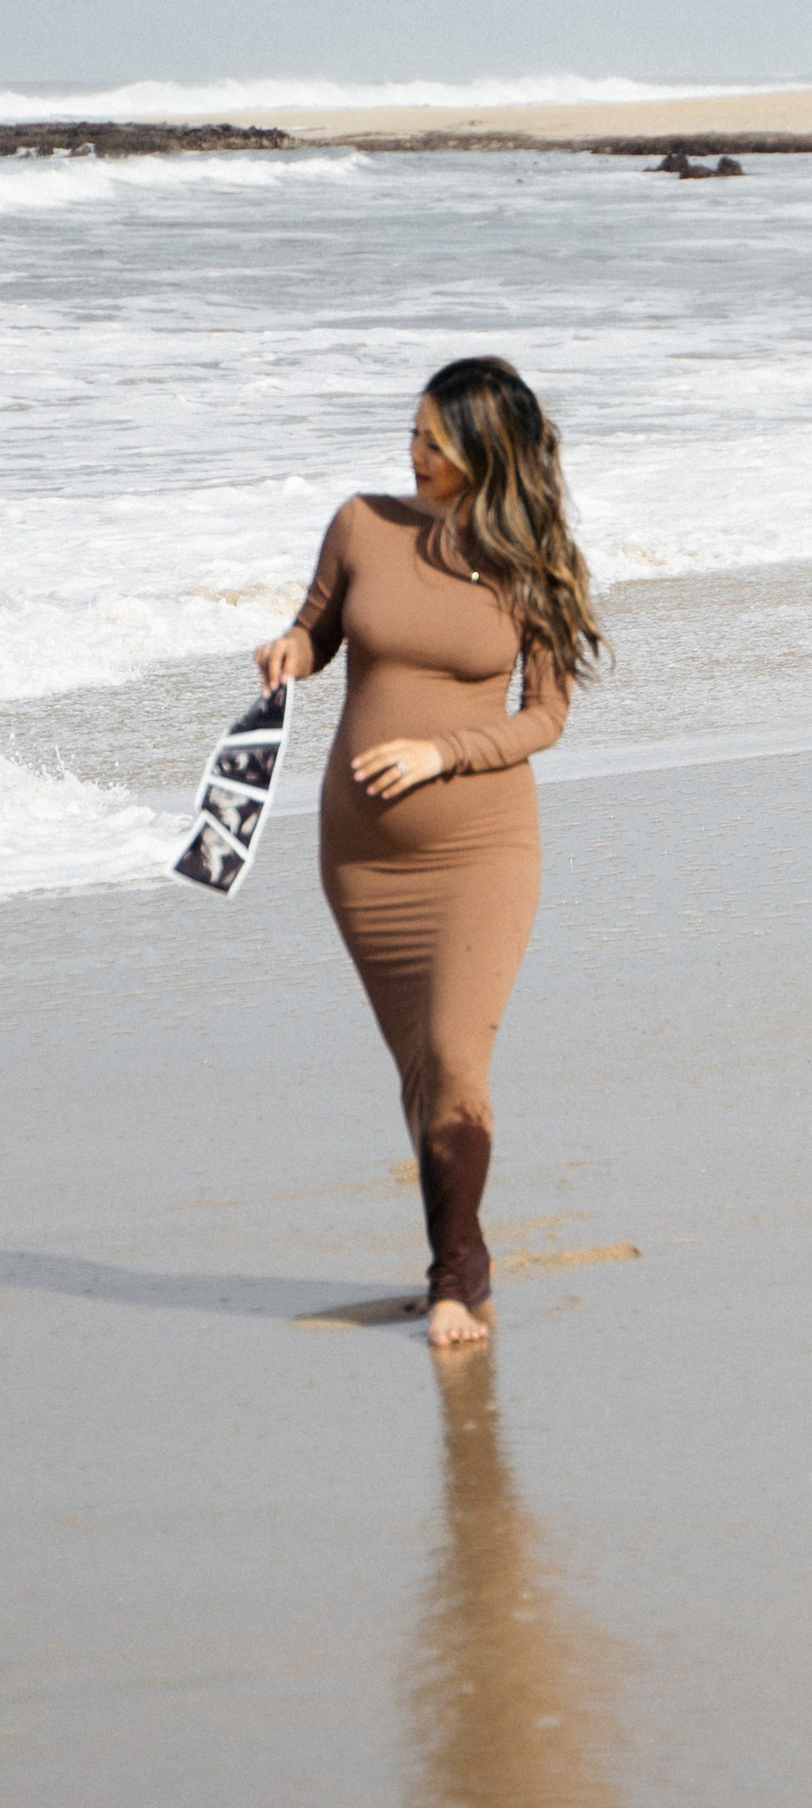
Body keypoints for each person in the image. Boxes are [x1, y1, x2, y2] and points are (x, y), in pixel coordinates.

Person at [257, 358, 602, 1354]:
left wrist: (439, 749)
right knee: (421, 1070)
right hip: (361, 857)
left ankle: (452, 1283)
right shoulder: (362, 522)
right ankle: (465, 1260)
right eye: (412, 433)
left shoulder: (529, 557)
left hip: (481, 845)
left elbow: (545, 717)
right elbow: (320, 626)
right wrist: (290, 647)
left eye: (436, 445)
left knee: (456, 1052)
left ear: (485, 456)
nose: (413, 455)